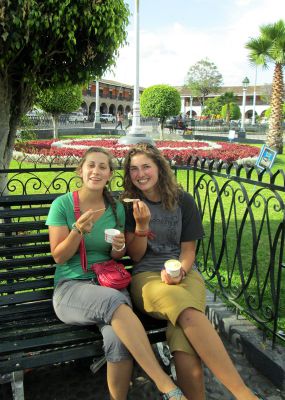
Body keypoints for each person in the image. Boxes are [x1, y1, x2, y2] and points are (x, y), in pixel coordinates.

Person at [122, 143, 263, 400]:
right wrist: (142, 226)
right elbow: (136, 256)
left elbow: (188, 251)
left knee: (183, 342)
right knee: (186, 310)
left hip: (185, 274)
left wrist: (181, 272)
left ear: (159, 169)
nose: (140, 174)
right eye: (133, 169)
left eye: (146, 167)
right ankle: (244, 394)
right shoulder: (131, 205)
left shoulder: (183, 201)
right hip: (147, 277)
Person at [46, 147, 186, 400]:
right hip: (71, 288)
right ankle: (166, 384)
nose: (96, 171)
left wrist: (119, 248)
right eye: (91, 165)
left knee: (117, 339)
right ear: (81, 170)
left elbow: (116, 256)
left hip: (107, 283)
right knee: (116, 301)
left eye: (102, 167)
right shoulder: (63, 205)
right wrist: (77, 230)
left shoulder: (115, 209)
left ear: (110, 174)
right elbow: (58, 256)